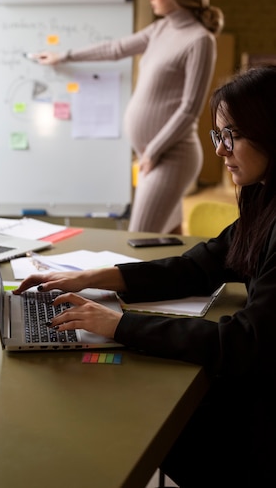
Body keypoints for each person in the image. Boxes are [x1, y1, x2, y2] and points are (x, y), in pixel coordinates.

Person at [14, 65, 276, 486]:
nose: (221, 151)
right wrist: (94, 277)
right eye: (218, 135)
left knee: (137, 416)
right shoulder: (263, 198)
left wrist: (120, 324)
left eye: (232, 135)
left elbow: (245, 343)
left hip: (263, 412)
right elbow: (199, 265)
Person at [31, 0, 224, 234]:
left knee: (137, 239)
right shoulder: (161, 28)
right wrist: (64, 56)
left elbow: (189, 109)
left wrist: (153, 152)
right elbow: (115, 49)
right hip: (153, 155)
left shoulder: (200, 40)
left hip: (172, 156)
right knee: (166, 240)